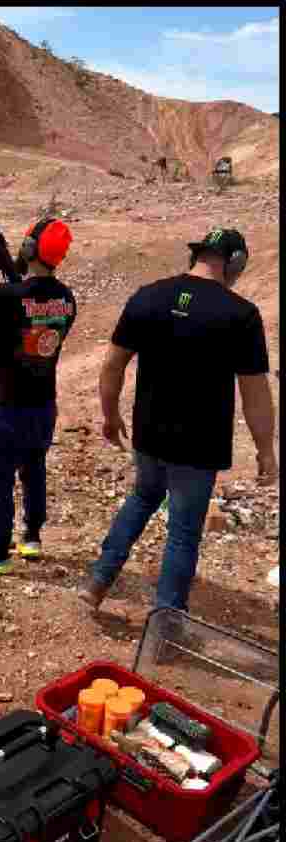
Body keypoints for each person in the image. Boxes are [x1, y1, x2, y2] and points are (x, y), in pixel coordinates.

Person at [80, 228, 277, 617]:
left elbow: (112, 364)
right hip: (198, 445)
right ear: (234, 263)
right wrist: (265, 449)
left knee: (142, 497)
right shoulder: (241, 314)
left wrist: (110, 415)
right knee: (184, 533)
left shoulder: (149, 295)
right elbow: (255, 393)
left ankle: (98, 580)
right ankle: (166, 623)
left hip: (150, 434)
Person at [0, 219, 77, 574]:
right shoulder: (67, 298)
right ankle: (32, 538)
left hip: (7, 408)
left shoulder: (10, 296)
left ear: (30, 249)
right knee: (34, 469)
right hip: (43, 406)